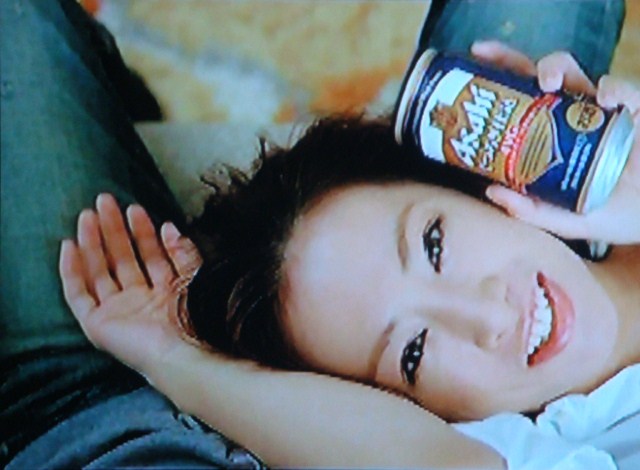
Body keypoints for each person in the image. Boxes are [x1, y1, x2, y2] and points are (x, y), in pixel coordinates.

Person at [2, 0, 636, 468]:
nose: (491, 317)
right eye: (412, 354)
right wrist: (176, 361)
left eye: (434, 244)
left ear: (471, 186)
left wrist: (175, 359)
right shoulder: (538, 445)